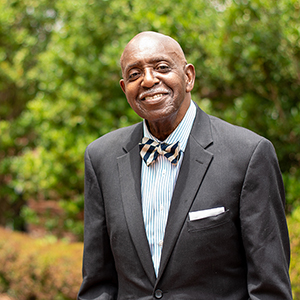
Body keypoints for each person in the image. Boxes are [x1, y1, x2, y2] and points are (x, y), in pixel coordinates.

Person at [77, 31, 292, 300]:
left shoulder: (248, 154)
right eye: (134, 74)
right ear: (124, 89)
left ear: (188, 76)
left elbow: (269, 289)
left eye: (162, 68)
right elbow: (98, 285)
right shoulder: (101, 158)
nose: (148, 80)